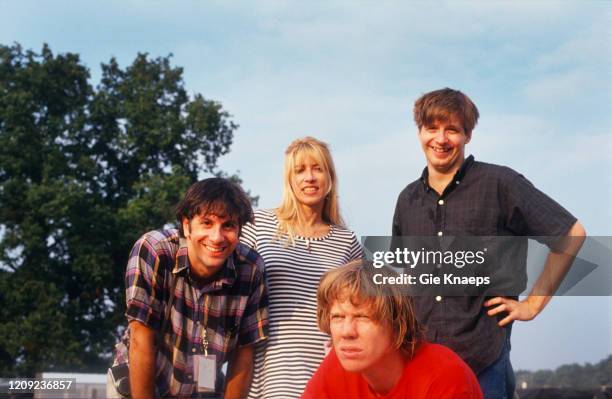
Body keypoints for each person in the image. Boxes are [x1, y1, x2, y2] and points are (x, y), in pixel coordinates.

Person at [392, 88, 586, 398]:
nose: (440, 139)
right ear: (419, 132)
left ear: (467, 135)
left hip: (483, 363)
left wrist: (533, 305)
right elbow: (404, 280)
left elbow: (572, 235)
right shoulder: (407, 200)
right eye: (432, 128)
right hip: (420, 364)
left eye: (452, 129)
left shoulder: (501, 184)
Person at [109, 178, 269, 399]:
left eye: (228, 225)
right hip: (138, 382)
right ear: (187, 225)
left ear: (239, 230)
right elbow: (141, 338)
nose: (217, 237)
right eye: (207, 223)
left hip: (202, 385)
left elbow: (244, 354)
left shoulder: (250, 270)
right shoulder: (155, 251)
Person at [240, 136, 363, 398]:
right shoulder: (257, 225)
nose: (309, 177)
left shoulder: (347, 241)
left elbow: (365, 304)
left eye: (317, 169)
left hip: (327, 369)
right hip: (269, 369)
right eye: (300, 170)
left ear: (330, 178)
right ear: (289, 179)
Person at [302, 260, 483, 399]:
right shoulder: (338, 365)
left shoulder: (443, 375)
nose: (347, 332)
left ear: (398, 325)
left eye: (362, 317)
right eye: (338, 317)